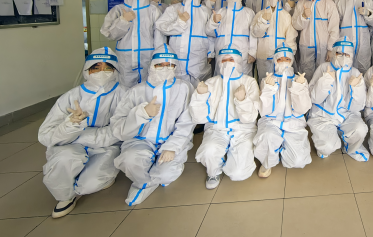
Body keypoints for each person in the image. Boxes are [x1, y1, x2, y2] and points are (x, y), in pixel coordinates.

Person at [38, 48, 126, 218]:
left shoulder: (124, 94)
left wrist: (83, 135)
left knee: (90, 184)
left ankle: (103, 177)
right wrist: (71, 125)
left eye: (108, 68)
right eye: (96, 68)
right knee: (63, 160)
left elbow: (123, 129)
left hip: (106, 147)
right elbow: (45, 135)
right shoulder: (71, 97)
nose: (102, 72)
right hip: (70, 145)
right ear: (87, 70)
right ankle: (65, 197)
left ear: (115, 70)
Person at [111, 44, 195, 205]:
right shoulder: (137, 91)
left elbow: (187, 122)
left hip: (170, 141)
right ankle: (144, 184)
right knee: (129, 161)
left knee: (166, 176)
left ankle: (149, 177)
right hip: (140, 141)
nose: (165, 69)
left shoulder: (184, 88)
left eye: (170, 65)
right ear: (151, 66)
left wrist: (172, 147)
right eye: (160, 65)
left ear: (175, 66)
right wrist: (141, 114)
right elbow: (118, 126)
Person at [189, 48, 261, 189]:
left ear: (239, 62)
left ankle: (230, 155)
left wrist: (242, 101)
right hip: (217, 129)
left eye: (231, 60)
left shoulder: (249, 82)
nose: (227, 63)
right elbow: (199, 118)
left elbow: (250, 117)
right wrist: (200, 97)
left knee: (238, 173)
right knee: (208, 151)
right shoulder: (211, 82)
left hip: (243, 130)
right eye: (224, 60)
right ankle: (214, 170)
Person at [307, 37, 369, 161]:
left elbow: (358, 106)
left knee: (360, 129)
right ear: (333, 53)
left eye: (347, 54)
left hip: (346, 115)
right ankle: (329, 139)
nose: (343, 57)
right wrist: (326, 81)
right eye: (339, 53)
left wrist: (356, 88)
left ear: (352, 55)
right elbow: (314, 98)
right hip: (323, 115)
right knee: (327, 147)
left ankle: (350, 146)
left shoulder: (355, 73)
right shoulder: (324, 68)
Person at [254, 45, 312, 177]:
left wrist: (299, 88)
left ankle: (281, 148)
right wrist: (268, 90)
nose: (284, 62)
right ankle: (268, 161)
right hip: (271, 122)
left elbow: (302, 109)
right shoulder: (267, 80)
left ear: (292, 61)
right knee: (267, 137)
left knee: (298, 160)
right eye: (280, 59)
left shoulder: (299, 80)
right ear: (275, 61)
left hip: (294, 122)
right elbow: (264, 111)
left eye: (287, 59)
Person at [100, 0, 164, 88]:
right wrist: (123, 21)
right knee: (125, 88)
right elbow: (109, 34)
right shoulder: (118, 9)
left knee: (148, 87)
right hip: (126, 57)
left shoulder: (153, 10)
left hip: (147, 56)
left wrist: (158, 57)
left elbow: (159, 37)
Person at [155, 0, 214, 87]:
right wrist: (179, 22)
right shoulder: (173, 9)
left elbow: (210, 34)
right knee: (178, 87)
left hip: (198, 56)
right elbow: (161, 26)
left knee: (199, 88)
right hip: (177, 55)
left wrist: (210, 53)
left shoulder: (205, 11)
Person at [291, 0, 339, 81]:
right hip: (306, 45)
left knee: (323, 75)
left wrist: (330, 48)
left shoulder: (328, 3)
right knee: (305, 74)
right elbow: (296, 25)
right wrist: (303, 16)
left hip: (324, 46)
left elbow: (334, 27)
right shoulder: (301, 4)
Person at [207, 0, 257, 77]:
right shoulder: (219, 12)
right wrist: (213, 22)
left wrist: (253, 53)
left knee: (243, 79)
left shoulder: (248, 12)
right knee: (221, 79)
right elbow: (209, 33)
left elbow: (253, 34)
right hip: (222, 54)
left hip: (243, 54)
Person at [251, 0, 298, 76]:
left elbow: (291, 37)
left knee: (282, 80)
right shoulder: (259, 14)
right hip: (263, 56)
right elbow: (255, 33)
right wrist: (263, 21)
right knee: (265, 80)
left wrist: (288, 55)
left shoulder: (286, 15)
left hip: (281, 58)